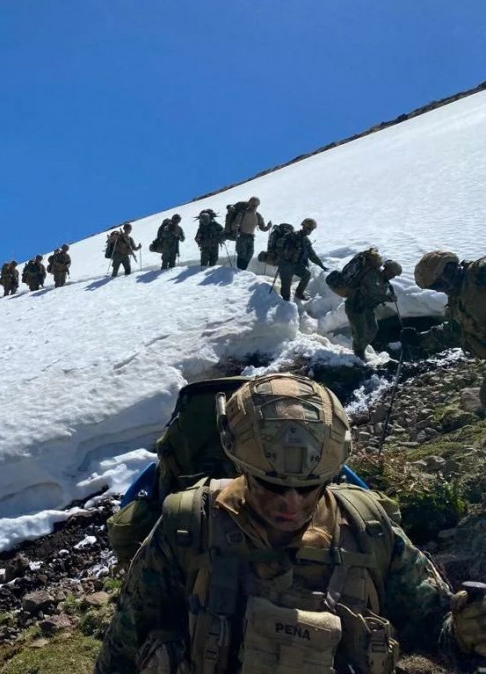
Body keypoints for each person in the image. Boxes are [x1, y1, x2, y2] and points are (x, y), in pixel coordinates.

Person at [96, 372, 486, 674]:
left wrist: (465, 634)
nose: (291, 503)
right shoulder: (188, 525)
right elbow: (125, 646)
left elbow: (432, 628)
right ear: (241, 466)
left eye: (311, 487)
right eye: (272, 484)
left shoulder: (369, 529)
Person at [410, 251, 486, 407]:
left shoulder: (479, 274)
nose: (440, 289)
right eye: (435, 287)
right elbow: (453, 331)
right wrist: (419, 339)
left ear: (449, 268)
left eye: (439, 283)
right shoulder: (456, 300)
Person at [346, 259, 402, 360]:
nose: (392, 277)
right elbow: (372, 292)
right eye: (392, 274)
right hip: (356, 306)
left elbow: (379, 293)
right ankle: (358, 353)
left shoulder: (384, 282)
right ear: (387, 270)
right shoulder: (372, 276)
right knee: (360, 331)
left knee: (372, 329)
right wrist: (388, 298)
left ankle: (360, 349)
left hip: (367, 308)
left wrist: (390, 295)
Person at [277, 218, 327, 301]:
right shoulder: (291, 236)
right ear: (303, 226)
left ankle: (299, 293)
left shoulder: (306, 240)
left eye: (311, 229)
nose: (310, 231)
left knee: (307, 274)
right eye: (308, 228)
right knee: (286, 291)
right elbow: (280, 248)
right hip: (286, 265)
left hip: (296, 265)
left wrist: (321, 264)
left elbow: (312, 255)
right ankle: (284, 304)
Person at [231, 197, 270, 270]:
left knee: (249, 254)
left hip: (250, 237)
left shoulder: (258, 215)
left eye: (256, 205)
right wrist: (236, 227)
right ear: (249, 204)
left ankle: (242, 271)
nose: (254, 206)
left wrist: (268, 227)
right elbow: (234, 225)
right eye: (253, 204)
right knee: (242, 254)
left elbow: (262, 228)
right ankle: (239, 271)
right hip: (242, 236)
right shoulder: (242, 213)